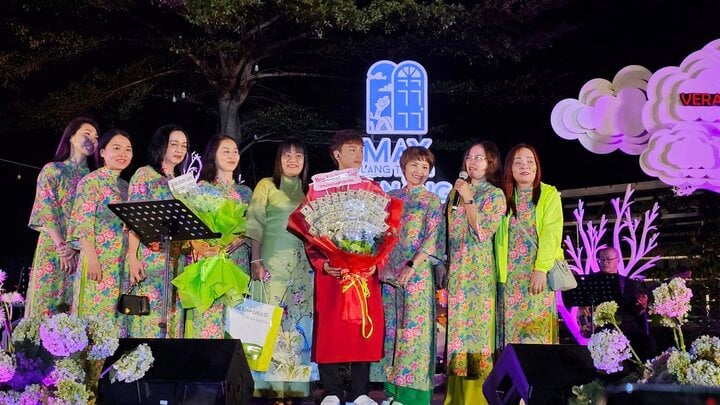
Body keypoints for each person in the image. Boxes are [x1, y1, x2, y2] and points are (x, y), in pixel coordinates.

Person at [304, 129, 384, 405]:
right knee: (330, 330)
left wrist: (375, 263)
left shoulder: (372, 188)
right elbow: (310, 234)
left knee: (363, 327)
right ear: (337, 154)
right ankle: (332, 390)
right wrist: (323, 264)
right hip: (332, 274)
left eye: (361, 150)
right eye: (352, 150)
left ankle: (360, 391)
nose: (358, 154)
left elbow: (386, 232)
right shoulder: (319, 188)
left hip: (363, 273)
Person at [246, 138, 314, 404]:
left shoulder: (311, 191)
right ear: (279, 159)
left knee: (299, 327)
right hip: (271, 265)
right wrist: (255, 260)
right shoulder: (266, 185)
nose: (293, 160)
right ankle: (270, 392)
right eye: (287, 155)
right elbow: (255, 222)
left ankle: (294, 391)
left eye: (298, 155)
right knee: (269, 326)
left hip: (304, 270)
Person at [376, 146, 445, 405]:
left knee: (414, 333)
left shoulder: (431, 200)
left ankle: (412, 397)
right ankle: (392, 393)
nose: (419, 171)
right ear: (403, 166)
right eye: (414, 165)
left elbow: (432, 239)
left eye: (425, 167)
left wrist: (411, 266)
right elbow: (380, 235)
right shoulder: (391, 197)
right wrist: (382, 265)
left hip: (416, 275)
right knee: (392, 331)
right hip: (390, 275)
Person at [444, 141, 506, 405]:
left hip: (479, 274)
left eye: (479, 158)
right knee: (457, 335)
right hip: (458, 273)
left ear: (491, 162)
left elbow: (482, 232)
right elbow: (449, 235)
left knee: (477, 333)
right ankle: (456, 398)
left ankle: (477, 399)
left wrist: (469, 197)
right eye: (470, 157)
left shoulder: (495, 195)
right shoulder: (454, 193)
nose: (473, 162)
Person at [26, 117, 99, 317]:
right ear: (71, 137)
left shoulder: (93, 179)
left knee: (72, 308)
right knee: (46, 305)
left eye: (96, 137)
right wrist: (62, 248)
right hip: (53, 247)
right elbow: (46, 210)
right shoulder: (53, 170)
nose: (92, 139)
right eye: (87, 133)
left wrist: (74, 247)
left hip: (80, 251)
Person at [184, 134, 252, 338]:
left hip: (236, 262)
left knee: (235, 324)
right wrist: (202, 245)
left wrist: (241, 238)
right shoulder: (202, 188)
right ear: (213, 155)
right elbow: (191, 226)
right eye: (226, 151)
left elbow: (255, 226)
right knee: (207, 322)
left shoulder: (246, 192)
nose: (232, 156)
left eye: (235, 151)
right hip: (210, 262)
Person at [125, 124, 189, 338]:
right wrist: (132, 257)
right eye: (174, 144)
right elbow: (133, 219)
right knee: (149, 320)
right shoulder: (144, 175)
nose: (179, 150)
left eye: (184, 146)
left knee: (174, 321)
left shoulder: (183, 182)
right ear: (161, 145)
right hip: (151, 259)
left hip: (178, 262)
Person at [495, 143, 562, 346]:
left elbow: (551, 233)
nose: (524, 166)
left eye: (529, 161)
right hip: (510, 278)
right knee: (513, 337)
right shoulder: (503, 196)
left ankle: (538, 368)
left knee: (536, 334)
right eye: (518, 162)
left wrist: (540, 269)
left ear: (536, 166)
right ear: (510, 168)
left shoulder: (548, 194)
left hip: (538, 275)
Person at [68, 129, 133, 331]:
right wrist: (92, 260)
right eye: (116, 148)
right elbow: (83, 225)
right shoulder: (91, 181)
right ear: (103, 152)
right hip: (97, 261)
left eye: (128, 149)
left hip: (121, 263)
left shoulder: (127, 187)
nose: (123, 154)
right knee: (93, 321)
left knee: (117, 323)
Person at [592, 247, 657, 360]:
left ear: (618, 260)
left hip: (628, 327)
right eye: (602, 259)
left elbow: (637, 312)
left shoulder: (629, 284)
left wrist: (642, 306)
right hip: (604, 327)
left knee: (648, 344)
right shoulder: (592, 282)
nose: (605, 262)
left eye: (608, 259)